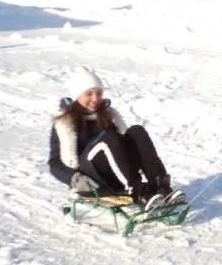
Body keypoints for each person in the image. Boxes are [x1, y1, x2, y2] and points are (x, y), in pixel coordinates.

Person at [48, 65, 182, 209]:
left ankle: (160, 186)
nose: (95, 99)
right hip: (91, 179)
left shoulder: (108, 114)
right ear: (77, 96)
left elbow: (125, 145)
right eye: (89, 94)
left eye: (99, 93)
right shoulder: (64, 123)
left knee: (136, 131)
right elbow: (54, 163)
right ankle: (137, 192)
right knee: (109, 138)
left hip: (117, 173)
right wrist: (74, 179)